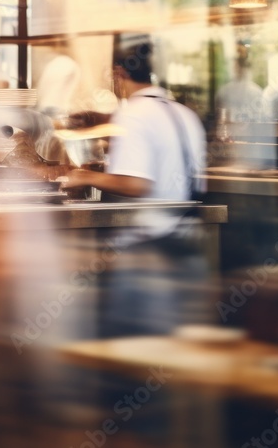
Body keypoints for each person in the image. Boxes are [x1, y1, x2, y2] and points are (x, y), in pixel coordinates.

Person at [65, 38, 209, 336]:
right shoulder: (185, 114)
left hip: (146, 257)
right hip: (189, 248)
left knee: (130, 353)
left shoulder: (133, 114)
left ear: (119, 73)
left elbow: (136, 183)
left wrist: (85, 177)